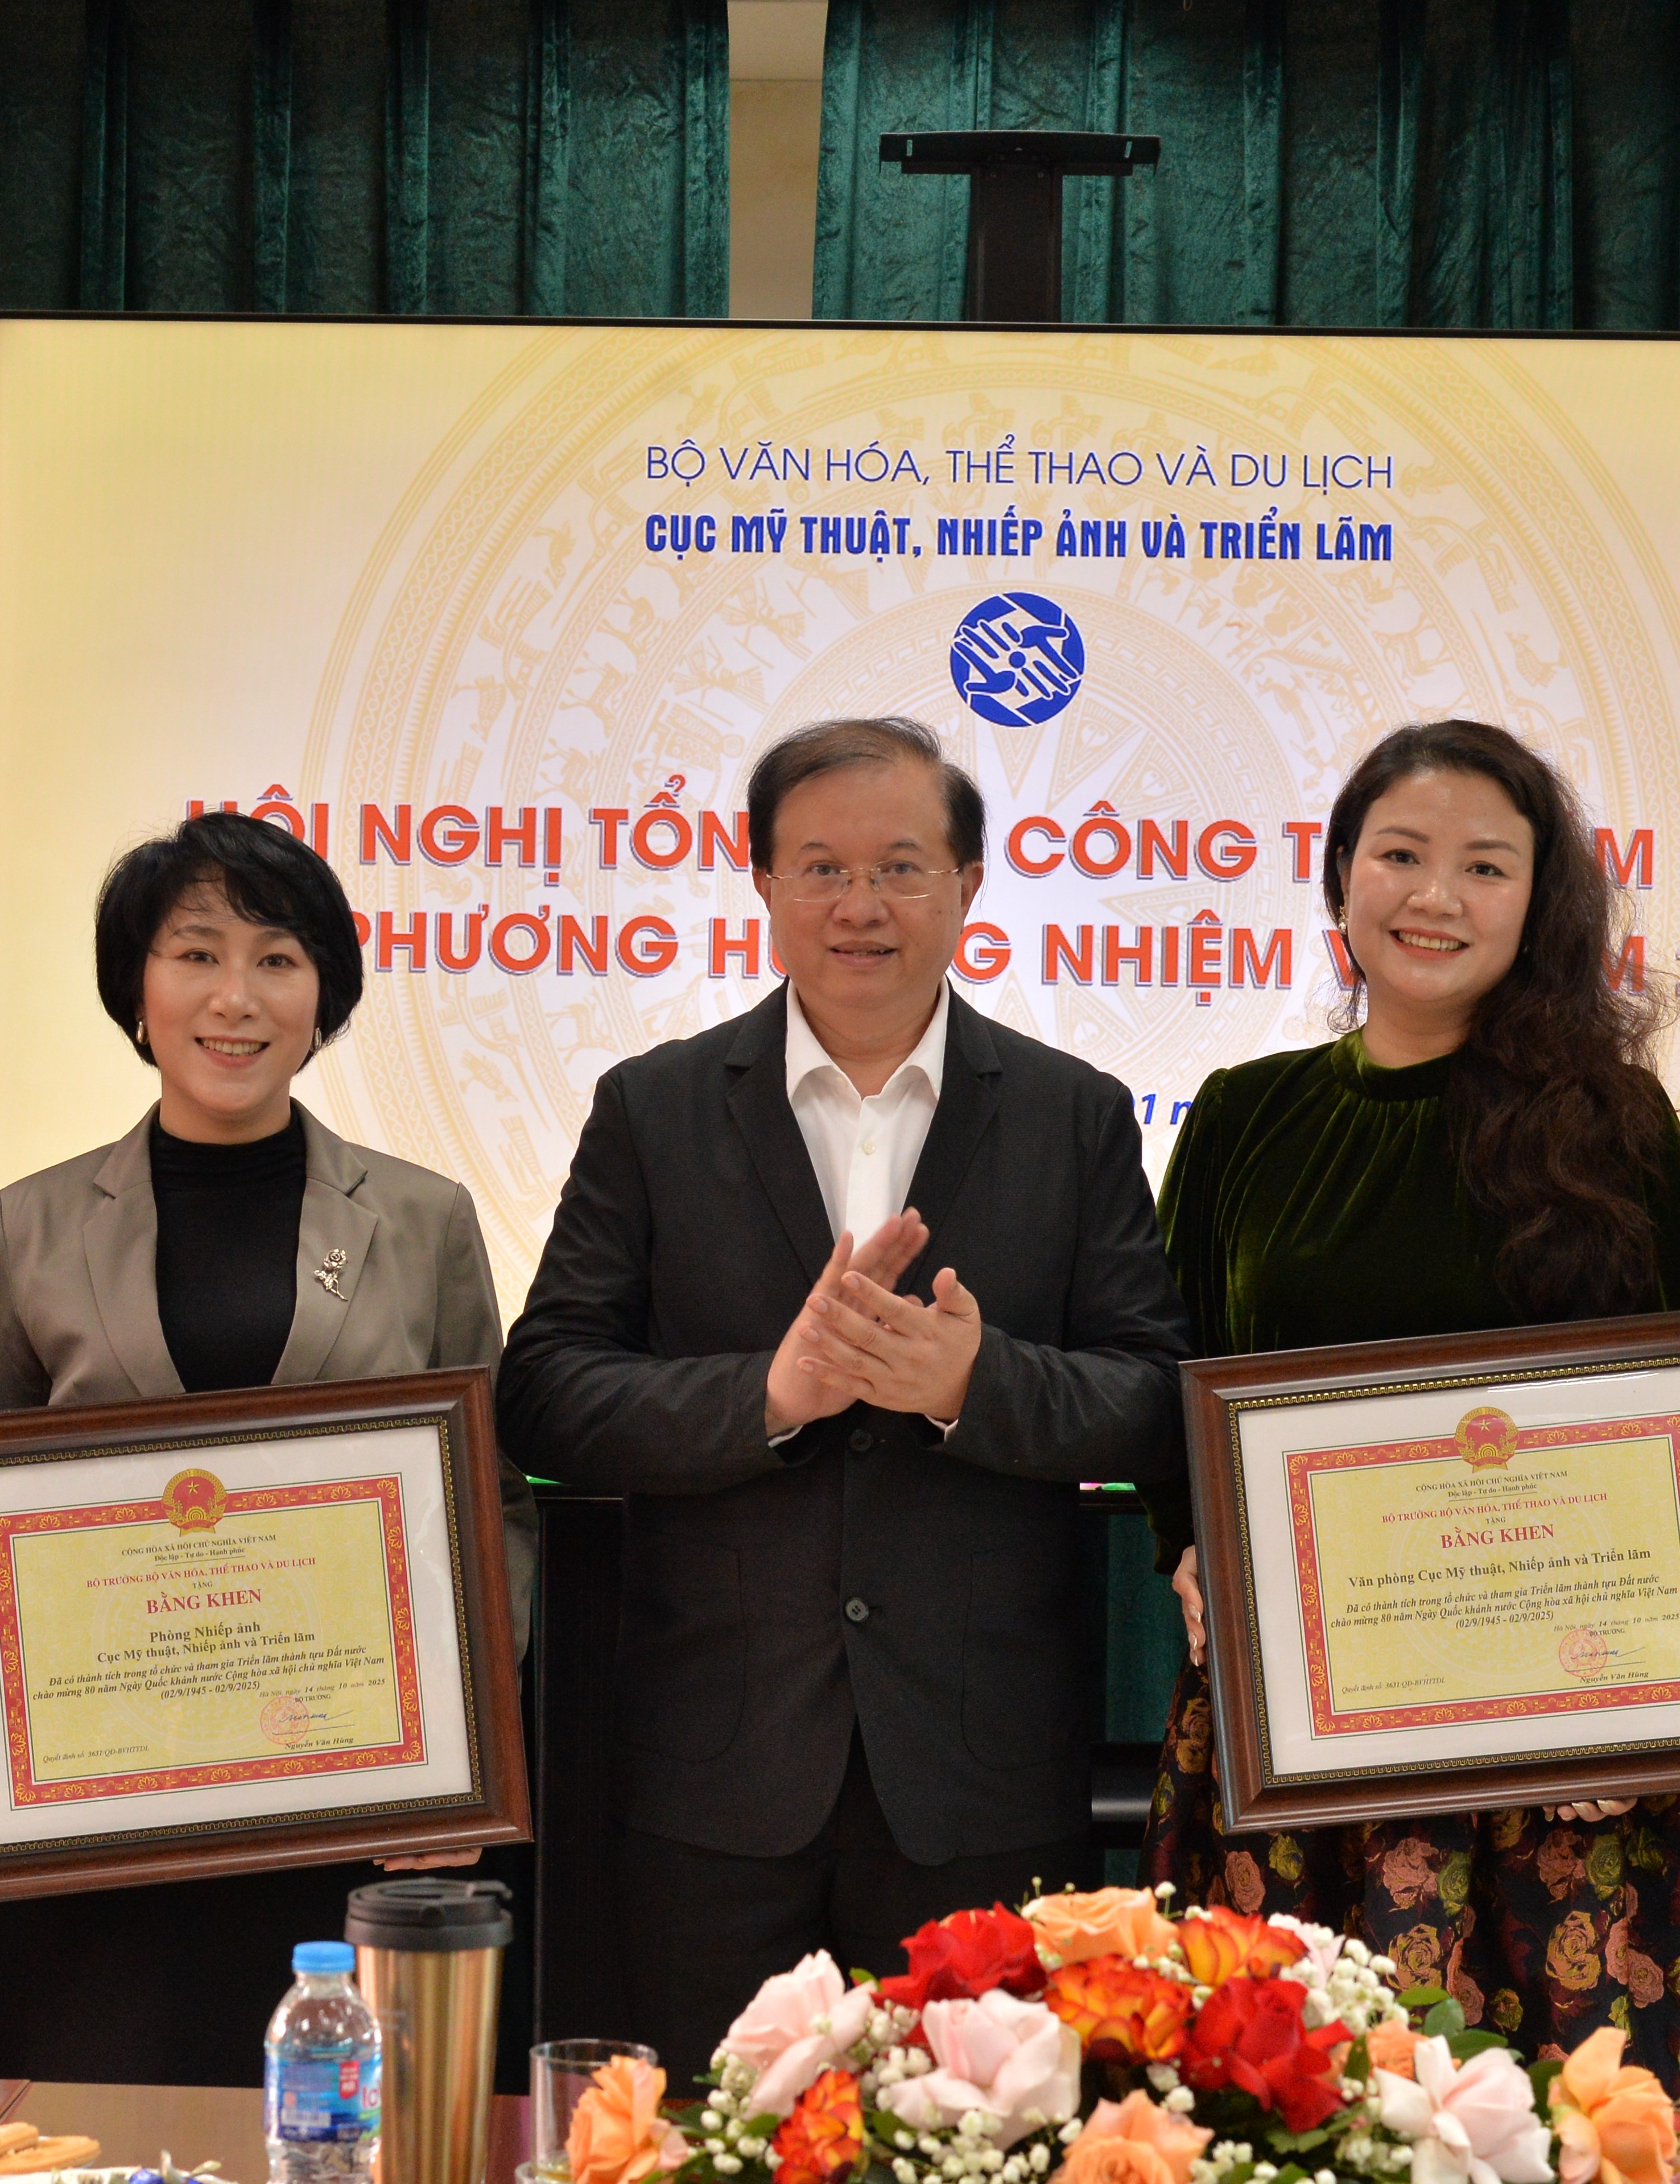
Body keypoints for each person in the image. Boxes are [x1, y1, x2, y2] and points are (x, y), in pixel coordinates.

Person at [496, 715, 1188, 2069]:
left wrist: (975, 1383)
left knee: (977, 2145)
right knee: (707, 2145)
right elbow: (548, 1389)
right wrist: (769, 1393)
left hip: (981, 1780)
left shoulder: (1073, 1113)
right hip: (716, 1780)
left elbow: (1157, 1395)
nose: (859, 906)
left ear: (969, 886)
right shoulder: (654, 1108)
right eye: (820, 868)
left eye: (900, 868)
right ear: (762, 882)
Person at [0, 809, 535, 2086]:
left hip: (348, 1795)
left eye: (278, 959)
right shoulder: (31, 1224)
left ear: (324, 996)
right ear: (138, 990)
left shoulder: (423, 1219)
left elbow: (490, 1508)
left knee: (341, 2138)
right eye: (197, 954)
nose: (236, 997)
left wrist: (465, 1757)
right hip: (109, 1814)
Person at [1137, 720, 1680, 2099]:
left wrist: (1648, 1708)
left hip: (1559, 1742)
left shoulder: (1618, 1126)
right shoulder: (1243, 1117)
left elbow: (1676, 1433)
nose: (1436, 897)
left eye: (1485, 866)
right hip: (1301, 1718)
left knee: (1573, 2129)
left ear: (1540, 901)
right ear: (1343, 874)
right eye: (1400, 855)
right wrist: (1189, 1544)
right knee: (1291, 2116)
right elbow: (1174, 1373)